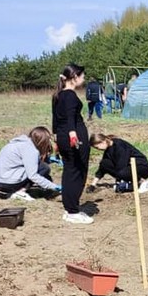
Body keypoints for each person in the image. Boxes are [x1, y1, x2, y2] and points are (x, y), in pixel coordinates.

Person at [52, 63, 93, 224]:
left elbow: (55, 119)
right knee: (78, 171)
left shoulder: (58, 95)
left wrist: (57, 138)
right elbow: (70, 116)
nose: (83, 79)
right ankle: (73, 211)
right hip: (73, 136)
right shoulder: (69, 95)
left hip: (62, 136)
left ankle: (70, 208)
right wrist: (73, 134)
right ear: (74, 77)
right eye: (82, 76)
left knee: (69, 171)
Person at [0, 126, 61, 200]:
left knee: (41, 166)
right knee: (44, 168)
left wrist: (49, 160)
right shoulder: (31, 150)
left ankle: (43, 190)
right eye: (47, 141)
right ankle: (20, 192)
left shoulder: (22, 143)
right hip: (7, 183)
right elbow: (33, 176)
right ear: (42, 141)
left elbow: (28, 160)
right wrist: (54, 186)